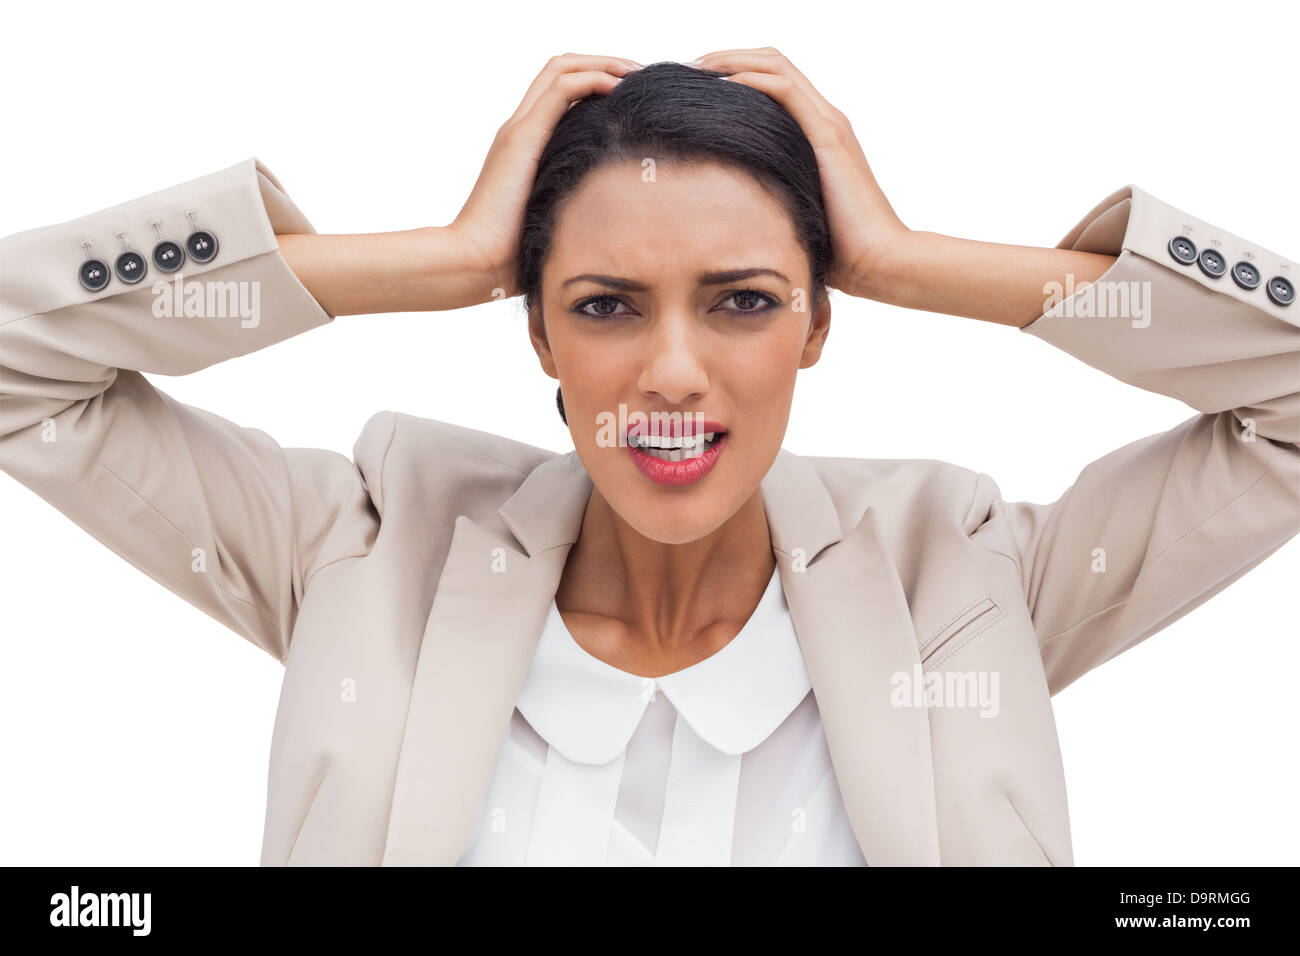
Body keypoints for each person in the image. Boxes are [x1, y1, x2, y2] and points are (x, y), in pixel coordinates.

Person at [1, 51, 1296, 866]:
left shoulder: (958, 579)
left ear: (819, 320)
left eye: (742, 301)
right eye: (607, 305)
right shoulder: (366, 545)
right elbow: (19, 364)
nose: (673, 372)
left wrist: (911, 259)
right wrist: (440, 259)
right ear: (540, 333)